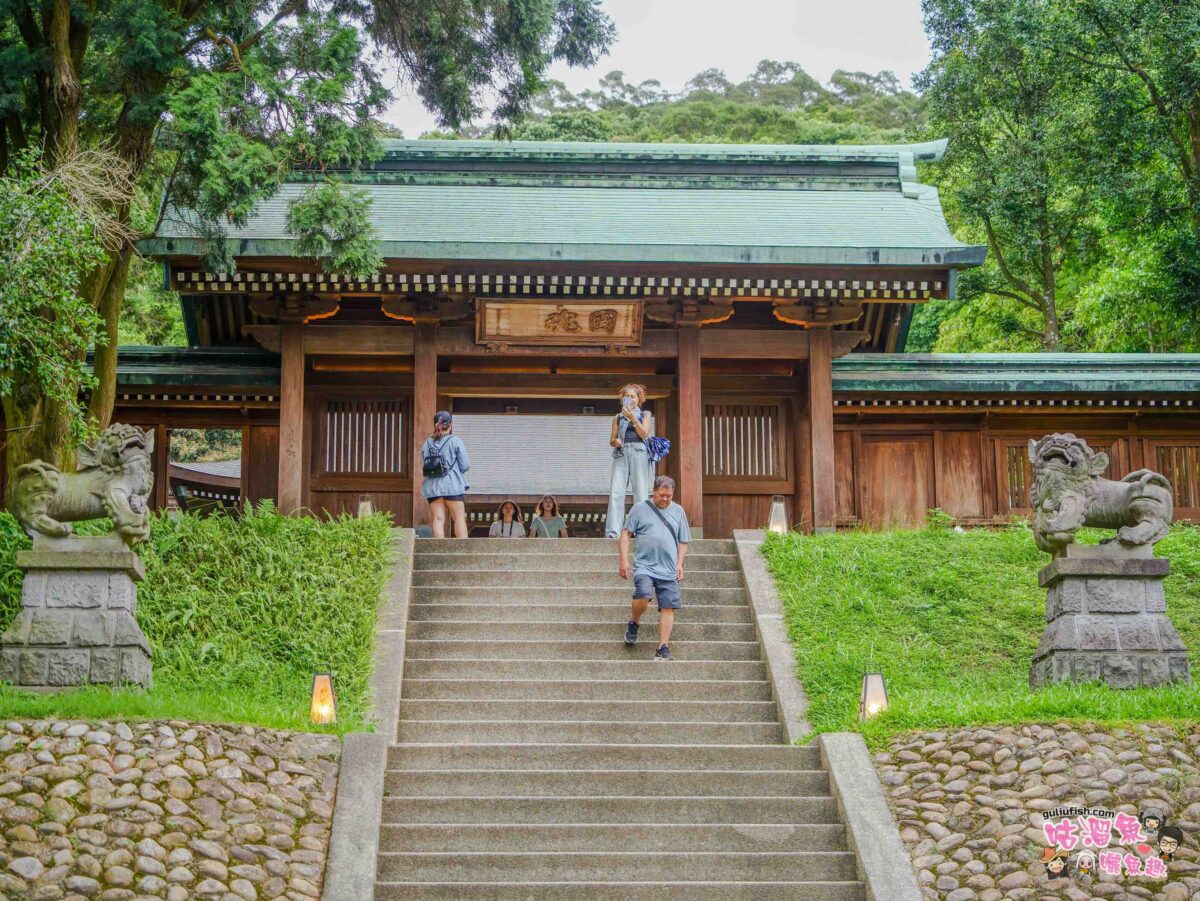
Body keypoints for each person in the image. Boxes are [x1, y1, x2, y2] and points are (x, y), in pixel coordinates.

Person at [618, 475, 690, 661]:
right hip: (644, 565)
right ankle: (634, 622)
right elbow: (625, 534)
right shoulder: (640, 509)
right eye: (661, 495)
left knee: (668, 607)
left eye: (668, 496)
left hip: (668, 568)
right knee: (643, 595)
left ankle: (662, 647)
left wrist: (680, 563)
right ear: (654, 492)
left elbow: (683, 541)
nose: (665, 499)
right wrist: (624, 560)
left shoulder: (678, 511)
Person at [604, 384, 654, 539]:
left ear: (639, 399)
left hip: (639, 451)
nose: (630, 399)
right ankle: (613, 532)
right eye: (627, 396)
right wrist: (615, 441)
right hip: (621, 452)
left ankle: (641, 530)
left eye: (633, 396)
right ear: (622, 399)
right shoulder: (617, 417)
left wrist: (633, 418)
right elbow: (611, 439)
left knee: (641, 491)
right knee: (616, 491)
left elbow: (644, 434)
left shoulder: (645, 414)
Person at [421, 411, 470, 538]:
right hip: (452, 485)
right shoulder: (455, 441)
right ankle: (463, 549)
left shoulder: (426, 443)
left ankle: (438, 550)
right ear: (450, 425)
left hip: (432, 486)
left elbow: (426, 463)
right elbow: (465, 465)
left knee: (437, 519)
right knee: (458, 517)